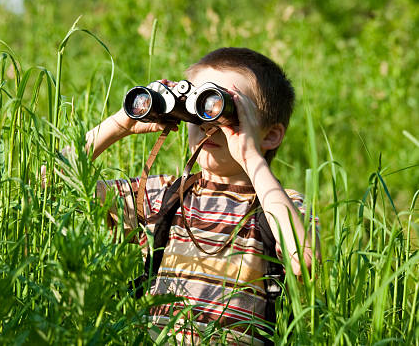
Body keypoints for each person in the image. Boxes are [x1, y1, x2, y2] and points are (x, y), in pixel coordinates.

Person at [85, 47, 321, 344]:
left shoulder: (279, 205)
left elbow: (305, 259)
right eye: (198, 107)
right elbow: (51, 180)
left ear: (271, 134)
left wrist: (251, 157)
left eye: (226, 109)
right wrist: (120, 124)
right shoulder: (163, 196)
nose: (208, 123)